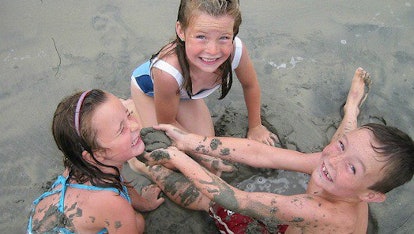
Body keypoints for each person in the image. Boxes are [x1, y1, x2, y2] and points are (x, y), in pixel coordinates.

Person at [129, 67, 414, 233]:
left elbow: (236, 199)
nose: (334, 159)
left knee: (208, 202)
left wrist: (176, 156)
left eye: (352, 167)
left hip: (302, 221)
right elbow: (262, 153)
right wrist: (190, 141)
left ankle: (145, 168)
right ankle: (351, 110)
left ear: (370, 195)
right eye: (340, 146)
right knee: (342, 149)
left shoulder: (327, 213)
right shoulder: (337, 169)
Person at [130, 0, 278, 147]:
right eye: (201, 37)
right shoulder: (167, 72)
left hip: (184, 94)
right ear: (181, 31)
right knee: (165, 155)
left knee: (207, 140)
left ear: (233, 33)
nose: (212, 51)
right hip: (149, 91)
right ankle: (131, 107)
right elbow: (167, 123)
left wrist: (256, 126)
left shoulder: (236, 51)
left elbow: (250, 85)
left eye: (224, 37)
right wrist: (205, 154)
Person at [27, 89, 165, 233]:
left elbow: (116, 179)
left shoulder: (84, 165)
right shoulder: (114, 204)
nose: (135, 126)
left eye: (128, 114)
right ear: (97, 154)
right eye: (121, 130)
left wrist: (144, 204)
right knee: (137, 222)